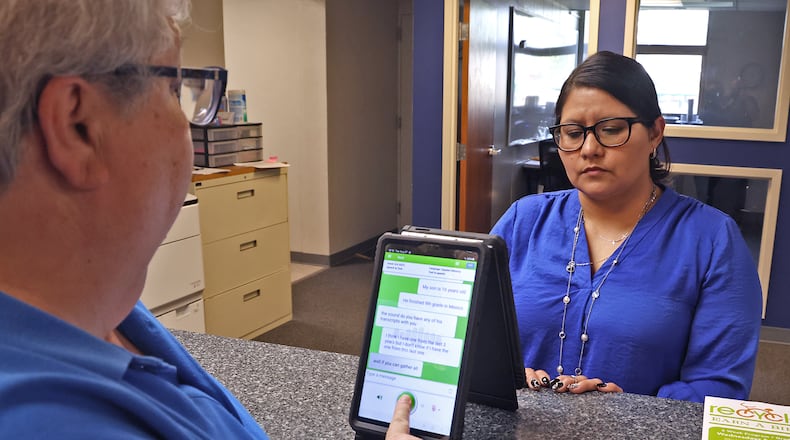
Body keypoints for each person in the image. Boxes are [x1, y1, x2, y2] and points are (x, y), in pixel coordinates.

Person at [0, 1, 414, 438]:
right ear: (78, 125)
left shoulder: (100, 307)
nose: (190, 127)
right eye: (175, 89)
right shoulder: (55, 423)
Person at [491, 51, 762, 403]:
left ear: (655, 133)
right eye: (573, 133)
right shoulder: (523, 220)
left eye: (611, 130)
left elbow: (720, 388)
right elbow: (472, 337)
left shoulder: (711, 240)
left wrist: (630, 408)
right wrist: (508, 373)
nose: (589, 149)